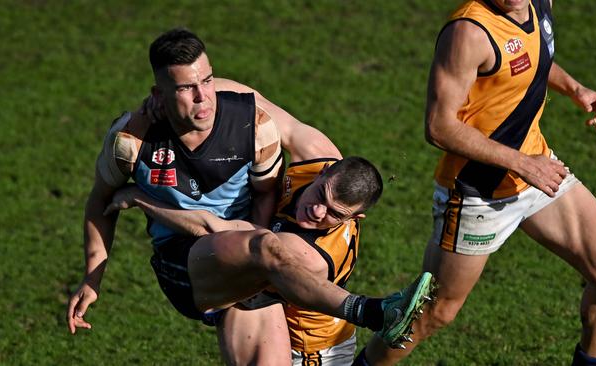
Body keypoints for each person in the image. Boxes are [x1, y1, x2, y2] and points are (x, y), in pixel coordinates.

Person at [65, 27, 434, 364]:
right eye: (187, 87)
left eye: (207, 82)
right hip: (186, 264)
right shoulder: (131, 140)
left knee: (265, 250)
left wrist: (141, 198)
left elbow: (232, 218)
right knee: (264, 248)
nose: (202, 97)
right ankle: (375, 312)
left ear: (354, 219)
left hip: (301, 331)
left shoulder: (310, 248)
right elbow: (100, 201)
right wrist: (92, 277)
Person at [354, 1, 596, 365]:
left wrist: (574, 88)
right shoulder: (469, 32)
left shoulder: (539, 3)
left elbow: (531, 56)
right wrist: (521, 163)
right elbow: (439, 126)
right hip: (477, 194)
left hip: (536, 170)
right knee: (433, 312)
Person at [104, 114, 402, 364]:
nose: (317, 210)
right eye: (321, 194)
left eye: (334, 214)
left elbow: (212, 229)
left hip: (311, 351)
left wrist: (141, 198)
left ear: (353, 219)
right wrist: (188, 92)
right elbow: (256, 102)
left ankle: (369, 313)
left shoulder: (307, 255)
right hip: (279, 319)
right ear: (325, 171)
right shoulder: (316, 152)